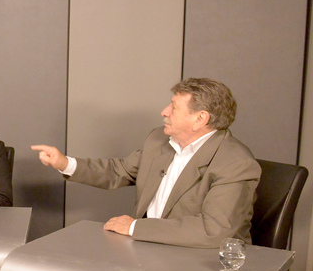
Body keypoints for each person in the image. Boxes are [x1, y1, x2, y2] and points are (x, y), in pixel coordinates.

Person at [31, 78, 260, 248]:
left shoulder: (236, 163)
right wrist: (65, 163)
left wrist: (133, 227)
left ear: (200, 119)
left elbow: (213, 230)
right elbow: (118, 171)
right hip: (148, 247)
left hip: (203, 260)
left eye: (174, 107)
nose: (164, 112)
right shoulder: (158, 139)